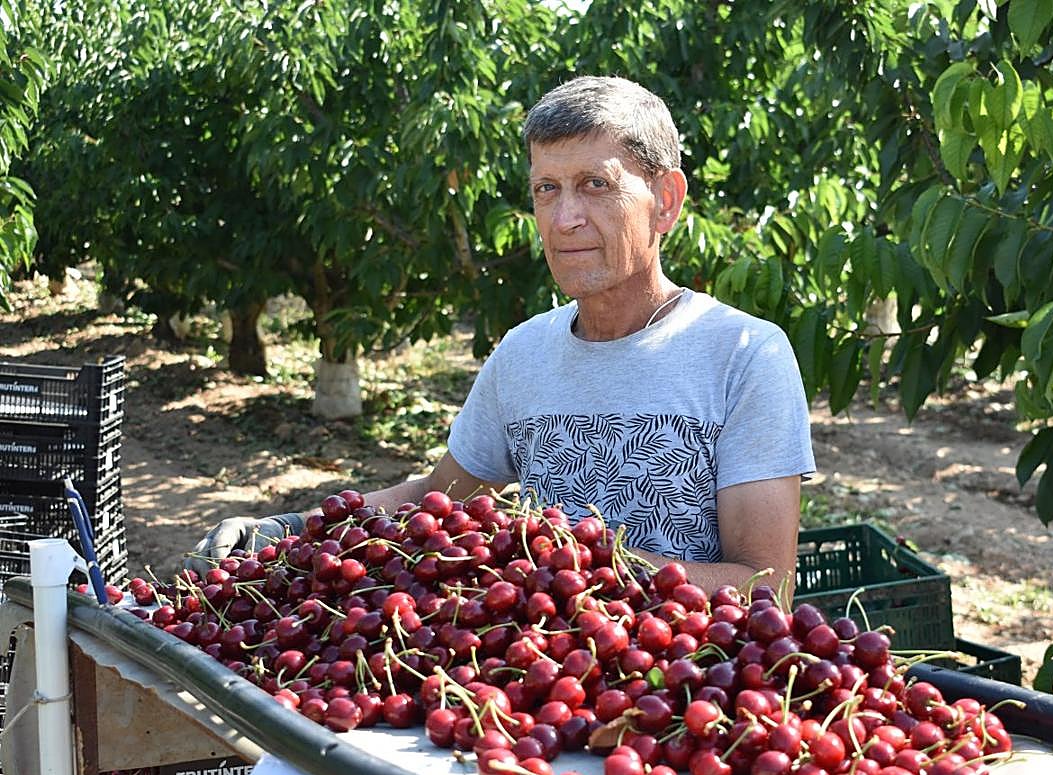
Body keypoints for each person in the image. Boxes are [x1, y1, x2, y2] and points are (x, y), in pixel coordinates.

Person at [195, 75, 816, 594]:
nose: (566, 218)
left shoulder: (742, 355)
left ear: (666, 201)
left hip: (680, 705)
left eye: (595, 185)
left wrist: (575, 563)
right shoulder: (524, 353)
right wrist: (294, 529)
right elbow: (437, 496)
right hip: (537, 694)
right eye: (547, 190)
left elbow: (766, 587)